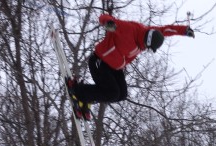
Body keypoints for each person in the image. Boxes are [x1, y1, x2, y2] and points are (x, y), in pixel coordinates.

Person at [67, 13, 195, 120]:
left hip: (114, 68)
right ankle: (77, 90)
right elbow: (104, 17)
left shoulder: (148, 33)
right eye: (147, 46)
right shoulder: (128, 29)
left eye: (148, 48)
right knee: (113, 93)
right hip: (100, 61)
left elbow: (164, 30)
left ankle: (87, 96)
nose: (145, 49)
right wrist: (109, 23)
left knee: (122, 94)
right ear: (146, 39)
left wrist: (184, 30)